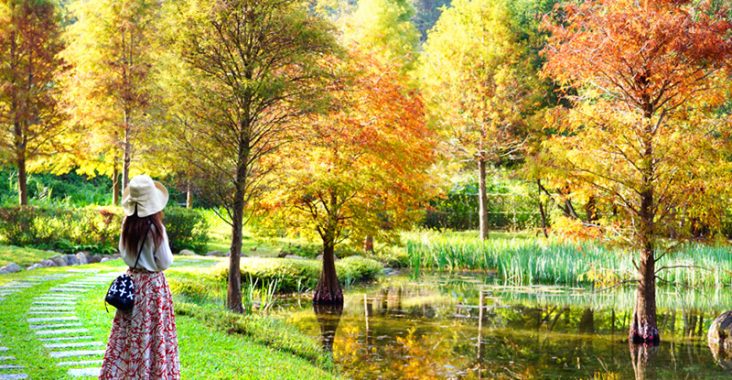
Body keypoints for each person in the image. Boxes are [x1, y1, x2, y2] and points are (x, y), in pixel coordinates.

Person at [100, 174, 180, 379]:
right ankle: (152, 373)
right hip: (152, 288)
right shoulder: (156, 228)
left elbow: (124, 253)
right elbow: (165, 262)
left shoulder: (126, 225)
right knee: (152, 334)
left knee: (129, 334)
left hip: (131, 285)